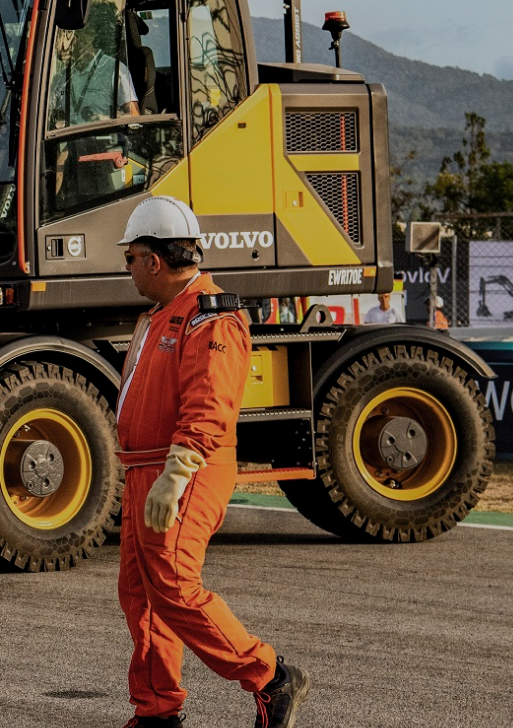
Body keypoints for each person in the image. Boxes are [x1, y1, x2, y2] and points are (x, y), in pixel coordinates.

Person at [112, 195, 310, 728]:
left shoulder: (210, 317)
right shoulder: (167, 313)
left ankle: (270, 676)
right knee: (142, 593)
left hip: (184, 467)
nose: (126, 267)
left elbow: (210, 405)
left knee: (172, 583)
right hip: (147, 468)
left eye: (130, 257)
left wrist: (175, 475)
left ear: (153, 260)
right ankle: (157, 712)